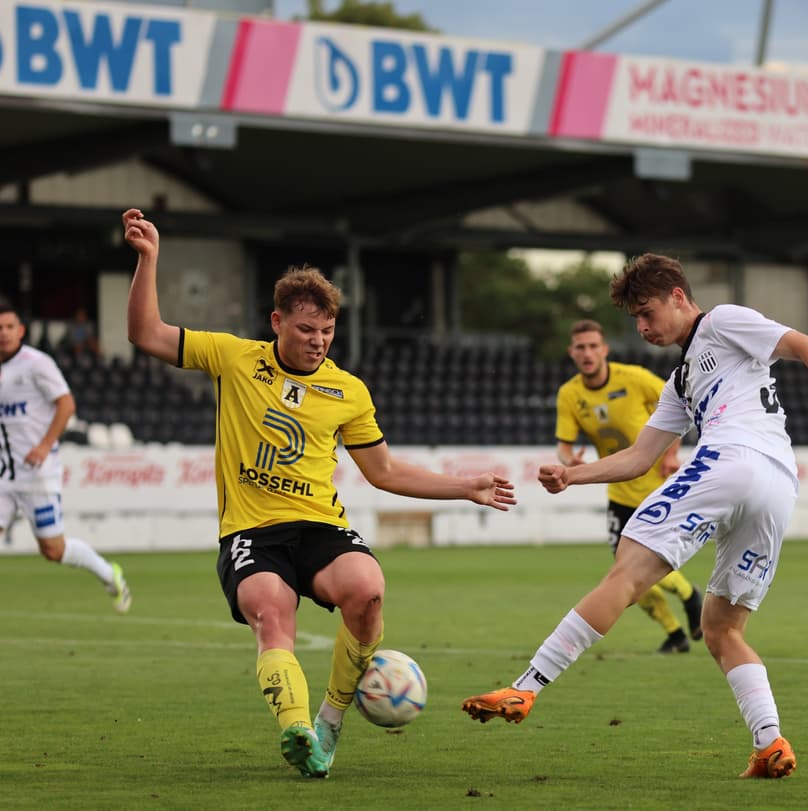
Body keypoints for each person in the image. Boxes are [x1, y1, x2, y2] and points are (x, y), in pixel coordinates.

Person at [462, 253, 808, 778]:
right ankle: (770, 742)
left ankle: (525, 687)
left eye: (647, 312)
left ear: (679, 297)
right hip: (776, 485)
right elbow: (639, 457)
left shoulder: (721, 321)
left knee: (626, 574)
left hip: (732, 460)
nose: (642, 326)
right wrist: (572, 476)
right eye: (634, 319)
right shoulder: (681, 381)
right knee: (722, 628)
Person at [123, 208, 516, 779]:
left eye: (328, 332)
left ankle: (330, 720)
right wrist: (148, 259)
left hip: (318, 527)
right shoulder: (234, 358)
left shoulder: (348, 390)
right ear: (276, 321)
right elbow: (145, 334)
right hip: (252, 532)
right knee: (270, 614)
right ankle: (297, 729)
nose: (318, 342)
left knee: (368, 592)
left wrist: (466, 487)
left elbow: (382, 471)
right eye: (307, 330)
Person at [556, 319, 703, 653]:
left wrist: (671, 452)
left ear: (604, 349)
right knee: (623, 572)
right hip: (619, 490)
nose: (587, 353)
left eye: (593, 346)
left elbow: (682, 402)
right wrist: (569, 462)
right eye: (580, 347)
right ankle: (675, 633)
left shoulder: (634, 378)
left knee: (640, 566)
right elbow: (564, 446)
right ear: (572, 353)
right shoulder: (570, 394)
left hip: (656, 488)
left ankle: (689, 595)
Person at [0, 298, 131, 613]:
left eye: (8, 326)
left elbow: (67, 404)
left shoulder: (36, 364)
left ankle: (108, 573)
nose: (3, 333)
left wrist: (45, 445)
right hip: (4, 476)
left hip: (38, 475)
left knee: (53, 549)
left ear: (21, 330)